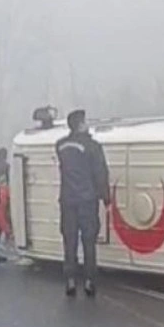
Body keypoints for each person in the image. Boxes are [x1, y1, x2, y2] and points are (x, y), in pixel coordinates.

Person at [56, 110, 110, 297]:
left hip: (67, 200)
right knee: (89, 241)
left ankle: (70, 280)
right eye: (85, 122)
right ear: (80, 125)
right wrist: (106, 198)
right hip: (87, 200)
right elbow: (100, 173)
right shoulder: (93, 147)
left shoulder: (60, 145)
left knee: (69, 240)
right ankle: (89, 281)